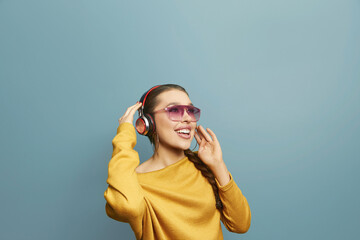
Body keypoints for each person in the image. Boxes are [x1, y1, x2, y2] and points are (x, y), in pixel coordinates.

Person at [104, 84, 251, 240]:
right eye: (174, 110)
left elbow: (241, 224)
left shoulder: (204, 164)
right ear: (148, 122)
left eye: (191, 111)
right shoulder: (134, 181)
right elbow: (127, 207)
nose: (188, 118)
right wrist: (124, 136)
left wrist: (218, 165)